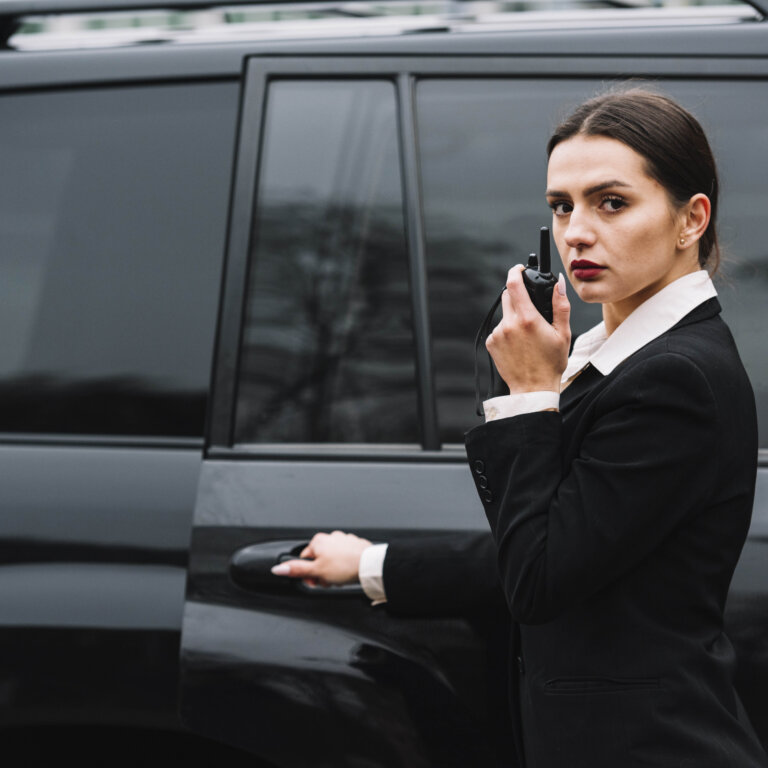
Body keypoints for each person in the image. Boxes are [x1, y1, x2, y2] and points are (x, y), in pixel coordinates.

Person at [272, 88, 768, 768]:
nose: (577, 233)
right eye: (561, 206)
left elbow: (539, 575)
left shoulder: (675, 377)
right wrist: (369, 565)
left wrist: (532, 395)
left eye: (611, 202)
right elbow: (556, 541)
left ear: (691, 219)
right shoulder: (619, 360)